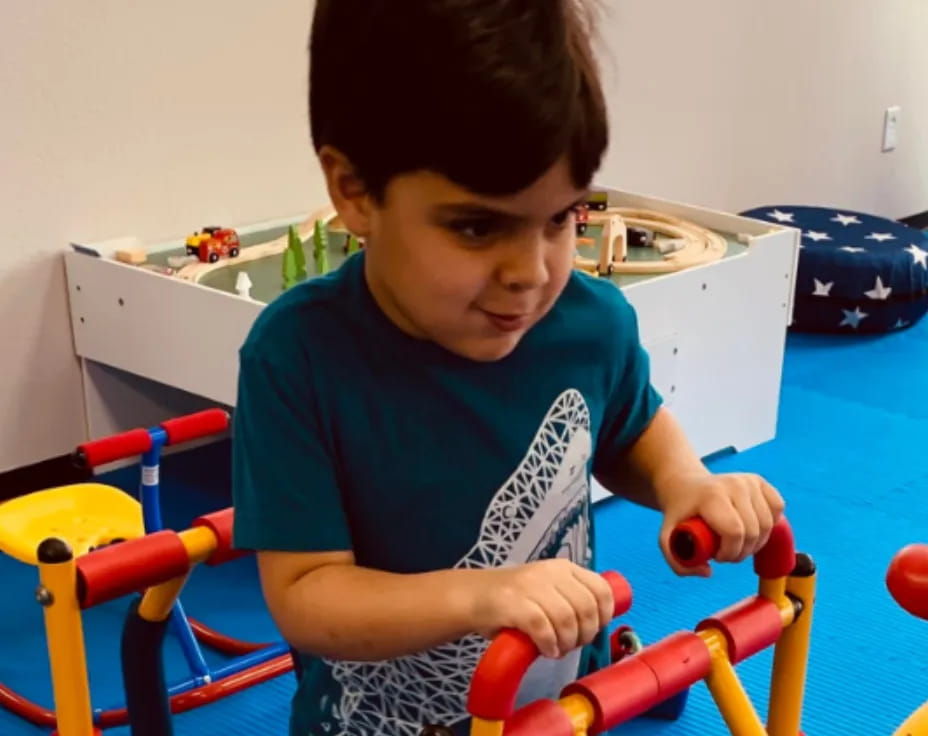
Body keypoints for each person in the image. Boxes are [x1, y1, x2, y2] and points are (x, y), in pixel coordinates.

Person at [231, 1, 786, 734]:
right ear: (356, 191)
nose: (531, 273)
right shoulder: (297, 357)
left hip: (560, 712)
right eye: (476, 226)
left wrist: (685, 483)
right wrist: (482, 596)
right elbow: (306, 593)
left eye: (561, 219)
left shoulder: (590, 323)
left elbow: (628, 428)